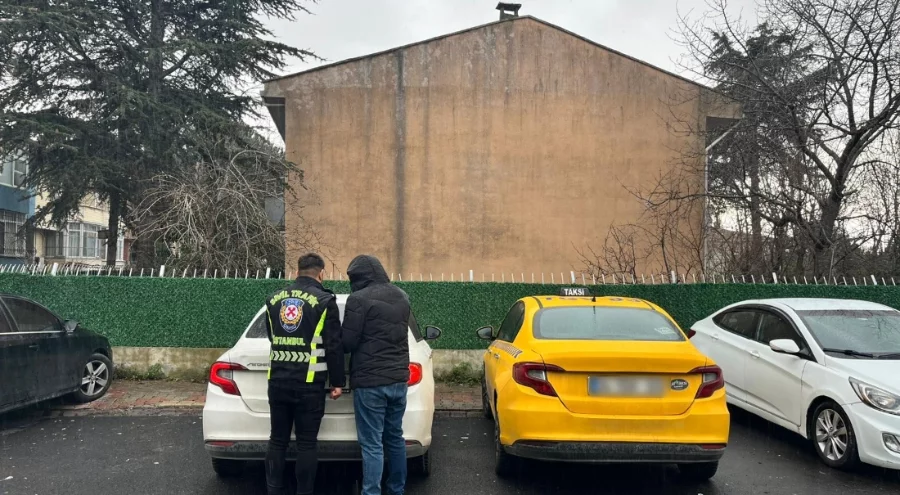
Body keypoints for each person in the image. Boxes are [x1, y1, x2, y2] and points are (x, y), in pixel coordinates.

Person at [264, 253, 345, 495]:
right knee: (306, 443)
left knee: (277, 440)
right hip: (309, 384)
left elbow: (273, 337)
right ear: (321, 273)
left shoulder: (273, 299)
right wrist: (337, 381)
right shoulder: (324, 300)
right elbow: (333, 345)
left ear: (296, 272)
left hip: (277, 380)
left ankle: (274, 490)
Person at [342, 255, 411, 495]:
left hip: (370, 382)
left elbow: (348, 342)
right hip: (398, 380)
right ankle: (397, 490)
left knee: (372, 444)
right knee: (395, 438)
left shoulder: (358, 299)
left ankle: (371, 492)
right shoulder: (402, 296)